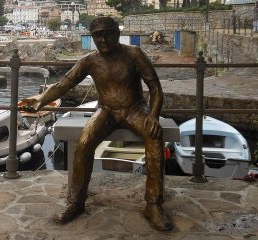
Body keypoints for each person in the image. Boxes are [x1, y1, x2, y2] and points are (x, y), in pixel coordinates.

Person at [20, 16, 172, 231]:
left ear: (117, 34)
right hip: (106, 110)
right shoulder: (89, 61)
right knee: (84, 142)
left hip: (135, 109)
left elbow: (155, 88)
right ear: (92, 38)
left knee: (154, 137)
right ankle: (76, 202)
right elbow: (65, 83)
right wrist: (40, 99)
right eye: (97, 36)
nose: (103, 39)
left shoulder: (134, 54)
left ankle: (154, 204)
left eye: (108, 34)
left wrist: (153, 116)